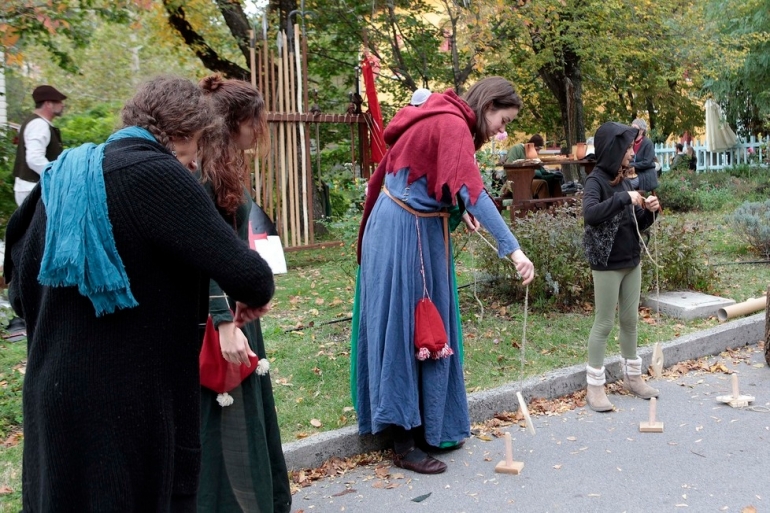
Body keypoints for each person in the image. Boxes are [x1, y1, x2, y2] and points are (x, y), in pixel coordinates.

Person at [3, 75, 276, 510]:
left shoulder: (62, 176)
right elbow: (252, 277)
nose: (193, 161)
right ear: (184, 133)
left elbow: (18, 288)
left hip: (52, 396)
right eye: (196, 146)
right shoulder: (156, 174)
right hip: (127, 408)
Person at [354, 76, 535, 474]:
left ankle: (426, 427)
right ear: (488, 107)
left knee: (425, 329)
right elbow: (475, 190)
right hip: (404, 232)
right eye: (503, 121)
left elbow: (448, 181)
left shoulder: (448, 116)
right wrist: (514, 249)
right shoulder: (452, 122)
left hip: (415, 228)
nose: (503, 131)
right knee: (405, 329)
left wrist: (458, 207)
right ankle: (403, 442)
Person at [197, 74, 291, 513]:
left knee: (244, 413)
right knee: (223, 417)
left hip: (238, 312)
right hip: (218, 322)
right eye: (254, 121)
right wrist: (221, 321)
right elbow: (203, 249)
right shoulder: (201, 173)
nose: (258, 131)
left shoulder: (226, 165)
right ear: (234, 122)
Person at [582, 121, 661, 412]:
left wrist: (649, 212)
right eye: (628, 147)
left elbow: (636, 223)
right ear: (615, 149)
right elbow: (590, 214)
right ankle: (595, 387)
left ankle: (633, 377)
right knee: (604, 323)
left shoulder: (626, 180)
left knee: (630, 321)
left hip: (631, 260)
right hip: (607, 264)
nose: (632, 153)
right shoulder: (596, 181)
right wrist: (621, 198)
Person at [12, 85, 67, 206]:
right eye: (58, 101)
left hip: (31, 188)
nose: (62, 105)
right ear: (48, 104)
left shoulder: (32, 121)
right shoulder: (39, 125)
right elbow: (34, 159)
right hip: (34, 189)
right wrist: (58, 175)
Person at [503, 134, 563, 198]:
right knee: (542, 183)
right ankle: (544, 206)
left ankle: (558, 204)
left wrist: (548, 173)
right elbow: (508, 169)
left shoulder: (532, 155)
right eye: (536, 149)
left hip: (530, 179)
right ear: (529, 146)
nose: (538, 152)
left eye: (539, 150)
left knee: (554, 180)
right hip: (516, 181)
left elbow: (537, 170)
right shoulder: (516, 149)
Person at [627, 118, 658, 192]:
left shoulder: (648, 143)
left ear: (642, 130)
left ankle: (634, 202)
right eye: (632, 127)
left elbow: (647, 162)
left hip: (646, 175)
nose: (632, 130)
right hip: (633, 174)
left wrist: (633, 165)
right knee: (621, 182)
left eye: (635, 128)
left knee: (627, 185)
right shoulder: (632, 142)